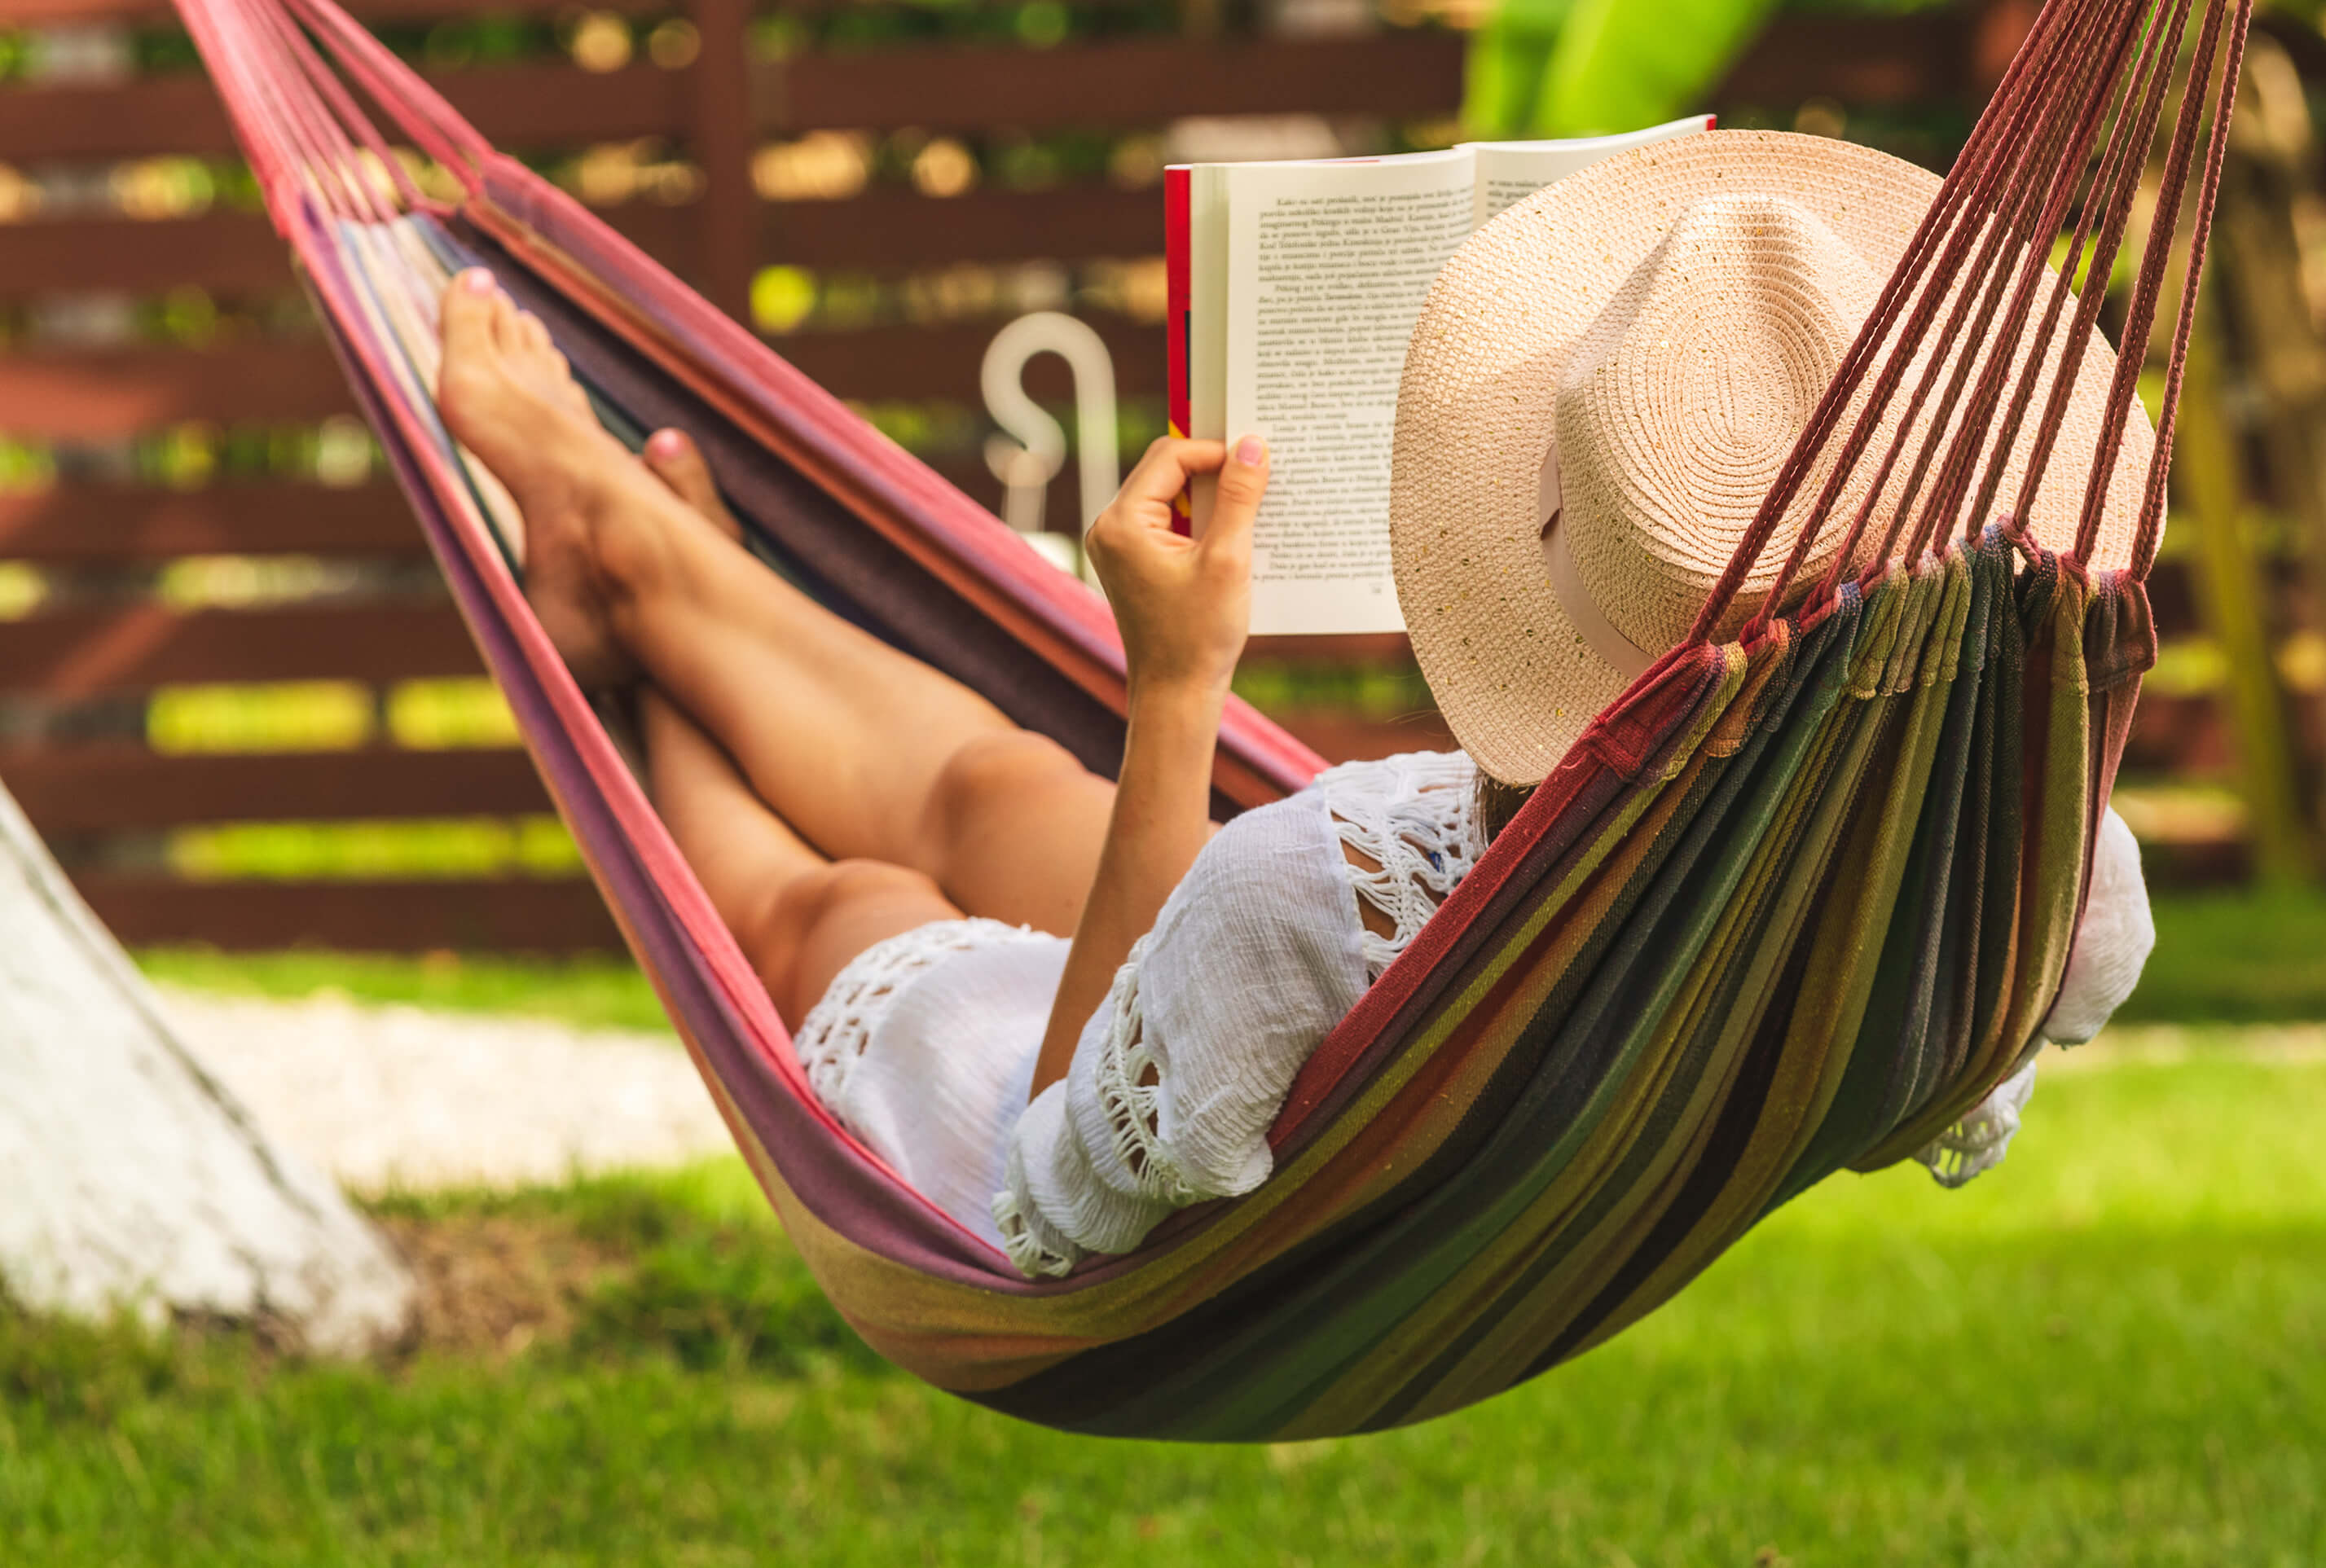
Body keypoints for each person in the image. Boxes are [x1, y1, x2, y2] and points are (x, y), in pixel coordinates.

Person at [433, 130, 2155, 1280]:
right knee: (988, 782)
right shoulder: (2035, 880)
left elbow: (1059, 1186)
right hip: (1367, 986)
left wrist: (1177, 687)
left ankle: (621, 653)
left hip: (1072, 1122)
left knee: (851, 900)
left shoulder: (1296, 901)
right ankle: (644, 561)